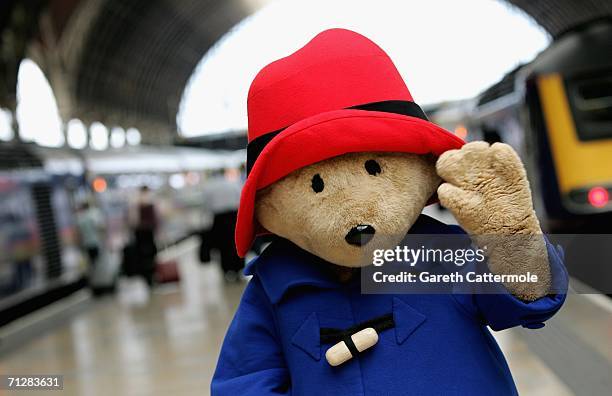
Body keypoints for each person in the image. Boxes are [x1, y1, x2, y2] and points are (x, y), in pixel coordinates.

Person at [201, 169, 244, 281]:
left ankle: (226, 271)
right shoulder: (232, 184)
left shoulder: (209, 187)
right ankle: (238, 269)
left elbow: (206, 206)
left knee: (222, 246)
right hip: (234, 217)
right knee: (236, 244)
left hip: (219, 220)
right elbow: (241, 200)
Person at [129, 186, 158, 286]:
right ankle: (151, 276)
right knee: (149, 255)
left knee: (144, 256)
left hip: (140, 233)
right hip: (147, 233)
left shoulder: (135, 202)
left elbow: (132, 222)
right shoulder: (149, 201)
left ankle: (147, 277)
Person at [76, 202, 104, 272]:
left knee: (91, 260)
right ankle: (99, 273)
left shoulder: (80, 219)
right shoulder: (92, 217)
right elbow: (98, 227)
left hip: (86, 242)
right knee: (97, 259)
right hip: (94, 241)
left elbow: (79, 233)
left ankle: (94, 272)